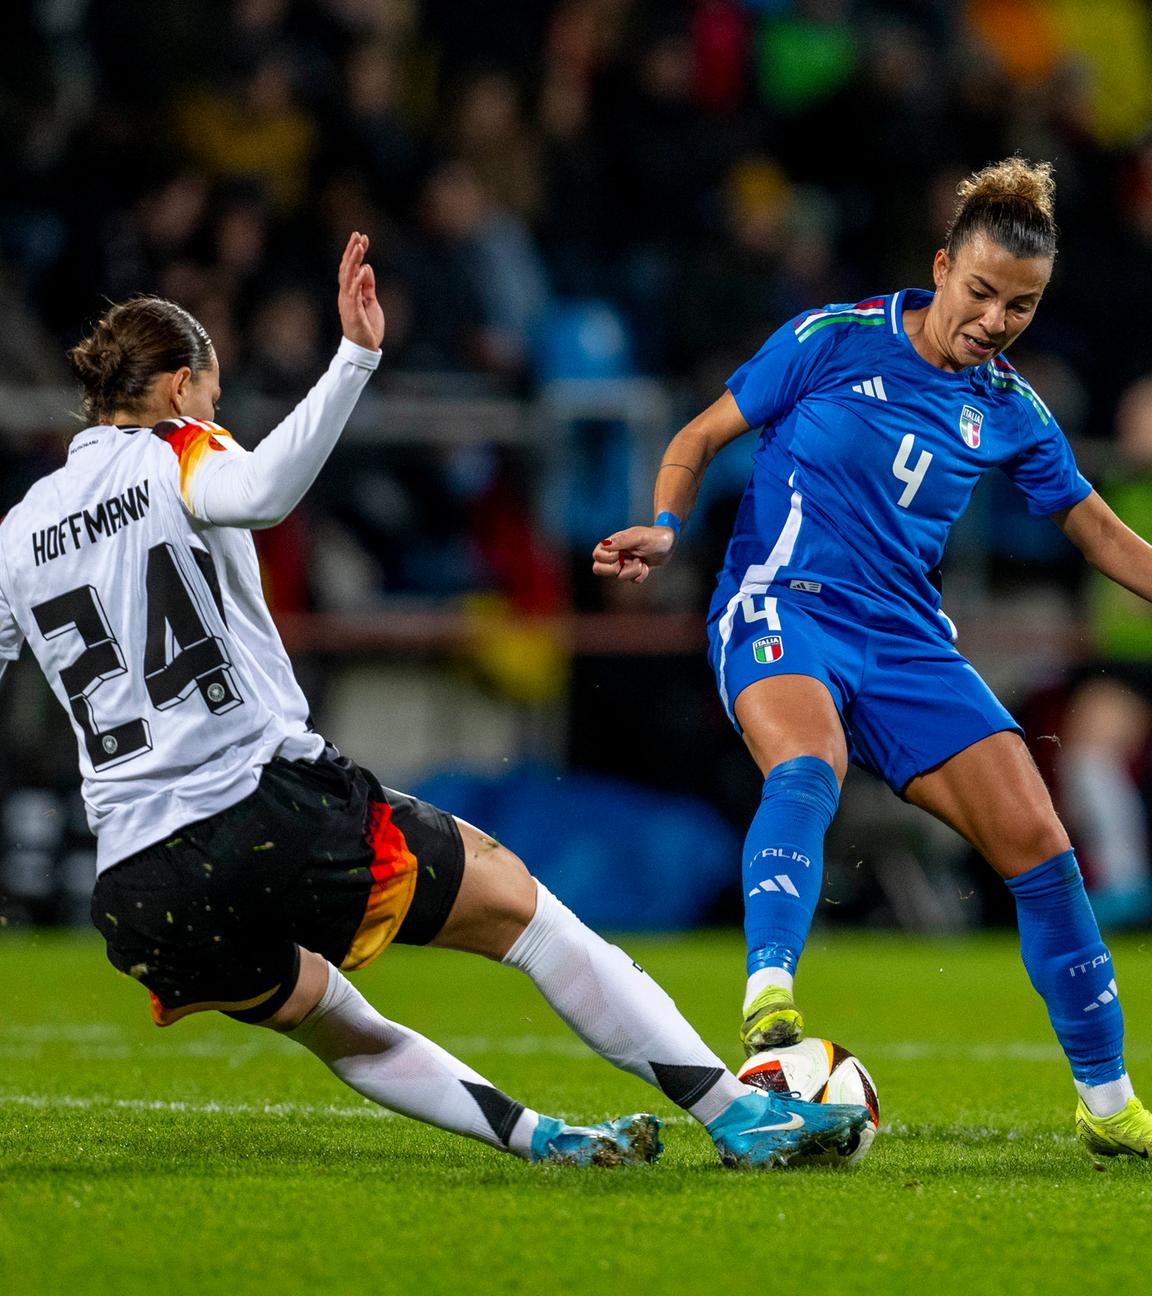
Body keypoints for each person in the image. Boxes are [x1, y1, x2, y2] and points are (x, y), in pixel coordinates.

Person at [0, 233, 869, 1171]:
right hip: (258, 809)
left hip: (138, 881)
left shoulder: (20, 529)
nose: (218, 411)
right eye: (212, 394)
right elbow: (260, 491)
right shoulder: (176, 450)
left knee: (341, 1025)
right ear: (179, 390)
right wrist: (354, 358)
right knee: (530, 917)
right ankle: (739, 1114)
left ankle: (548, 1140)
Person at [593, 159, 1152, 1161]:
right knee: (810, 762)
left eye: (1020, 306)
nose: (994, 319)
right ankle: (770, 995)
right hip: (782, 602)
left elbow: (1102, 534)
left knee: (1044, 846)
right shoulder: (832, 339)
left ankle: (1110, 1107)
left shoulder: (1011, 410)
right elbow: (701, 432)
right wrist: (670, 525)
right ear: (941, 267)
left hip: (905, 639)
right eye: (980, 292)